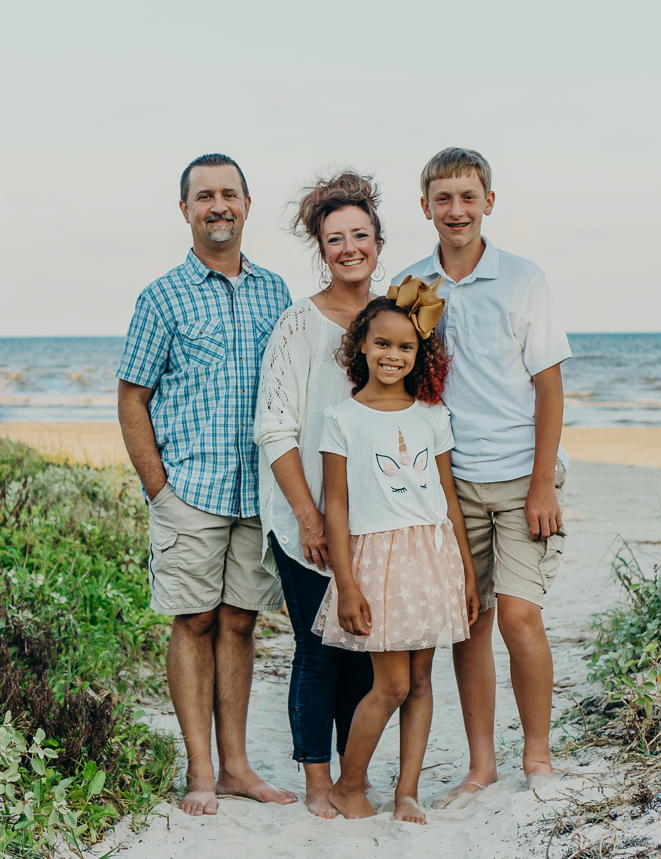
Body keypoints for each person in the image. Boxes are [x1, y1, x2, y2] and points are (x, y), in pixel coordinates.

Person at [392, 147, 572, 808]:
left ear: (488, 202)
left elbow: (549, 389)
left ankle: (539, 756)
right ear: (426, 208)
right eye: (443, 198)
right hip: (449, 482)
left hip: (522, 475)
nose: (456, 210)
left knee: (520, 618)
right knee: (469, 619)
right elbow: (400, 380)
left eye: (468, 197)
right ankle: (479, 764)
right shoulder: (411, 285)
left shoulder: (524, 279)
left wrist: (543, 482)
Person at [117, 153, 296, 817]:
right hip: (190, 488)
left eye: (229, 194)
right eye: (204, 196)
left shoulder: (275, 292)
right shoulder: (161, 296)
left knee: (240, 623)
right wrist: (158, 487)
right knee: (192, 620)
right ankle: (200, 769)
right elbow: (132, 396)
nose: (217, 205)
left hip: (256, 491)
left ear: (247, 204)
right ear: (186, 209)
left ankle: (237, 765)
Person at [317, 288, 481, 824]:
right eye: (382, 343)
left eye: (406, 347)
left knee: (421, 680)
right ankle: (349, 784)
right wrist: (345, 582)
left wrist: (467, 574)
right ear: (361, 345)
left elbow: (448, 499)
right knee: (390, 684)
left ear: (420, 354)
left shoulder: (432, 415)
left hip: (432, 558)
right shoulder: (342, 418)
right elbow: (335, 507)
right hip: (378, 562)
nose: (394, 355)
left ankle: (407, 790)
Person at [255, 173, 383, 819]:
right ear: (321, 247)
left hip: (378, 521)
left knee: (362, 649)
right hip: (306, 515)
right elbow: (275, 426)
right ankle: (316, 781)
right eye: (336, 238)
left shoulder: (393, 319)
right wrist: (307, 516)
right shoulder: (297, 325)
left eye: (360, 234)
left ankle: (352, 775)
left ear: (379, 241)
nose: (349, 247)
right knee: (317, 650)